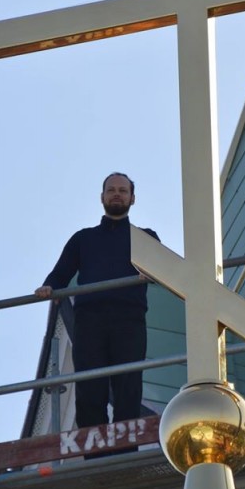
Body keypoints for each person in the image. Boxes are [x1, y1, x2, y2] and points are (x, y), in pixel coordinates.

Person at [36, 172, 159, 432]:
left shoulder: (145, 237)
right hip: (90, 321)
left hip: (129, 319)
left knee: (128, 385)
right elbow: (59, 275)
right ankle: (94, 453)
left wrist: (153, 272)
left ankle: (126, 450)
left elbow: (161, 269)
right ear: (102, 197)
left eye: (123, 191)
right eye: (111, 190)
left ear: (132, 199)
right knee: (90, 388)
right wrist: (49, 287)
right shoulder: (83, 239)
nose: (117, 194)